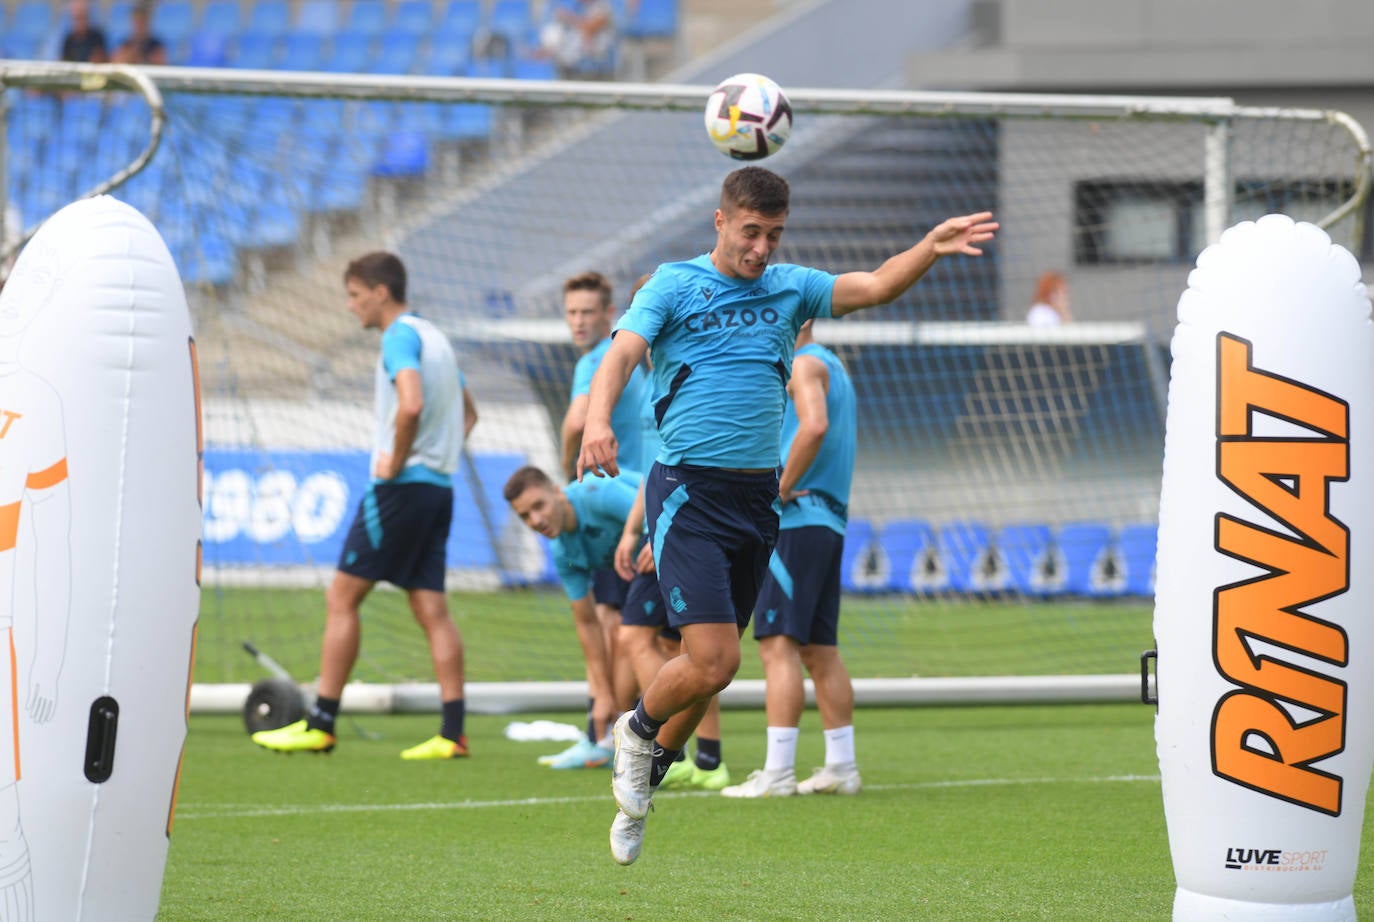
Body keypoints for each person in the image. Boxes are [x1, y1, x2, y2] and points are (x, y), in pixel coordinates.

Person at [576, 165, 996, 865]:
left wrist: (929, 246)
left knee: (713, 671)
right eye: (751, 232)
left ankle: (644, 774)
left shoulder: (791, 286)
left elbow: (875, 285)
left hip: (757, 500)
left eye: (774, 234)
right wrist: (597, 421)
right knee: (715, 656)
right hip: (687, 493)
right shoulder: (674, 284)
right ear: (720, 222)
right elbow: (619, 358)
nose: (762, 248)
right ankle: (636, 729)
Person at [252, 252, 478, 760]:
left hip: (400, 489)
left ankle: (322, 722)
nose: (351, 307)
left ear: (380, 291)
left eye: (354, 295)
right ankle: (453, 732)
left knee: (342, 598)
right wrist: (435, 459)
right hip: (437, 488)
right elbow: (469, 414)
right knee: (430, 608)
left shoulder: (399, 336)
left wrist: (397, 462)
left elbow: (411, 403)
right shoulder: (435, 337)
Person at [720, 319, 861, 799]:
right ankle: (842, 766)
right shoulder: (834, 365)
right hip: (828, 521)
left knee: (776, 645)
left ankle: (777, 772)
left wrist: (775, 490)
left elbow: (814, 424)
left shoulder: (804, 362)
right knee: (820, 651)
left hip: (796, 522)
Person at [535, 271, 649, 769]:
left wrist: (567, 478)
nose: (579, 322)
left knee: (617, 628)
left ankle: (610, 735)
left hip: (616, 503)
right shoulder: (640, 363)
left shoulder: (597, 359)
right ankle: (617, 732)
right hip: (647, 498)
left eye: (588, 312)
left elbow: (577, 422)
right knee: (628, 628)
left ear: (609, 315)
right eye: (572, 312)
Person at [503, 465, 642, 770]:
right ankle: (622, 737)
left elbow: (658, 513)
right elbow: (586, 622)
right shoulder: (561, 549)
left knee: (645, 638)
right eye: (525, 516)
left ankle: (679, 751)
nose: (535, 520)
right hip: (637, 571)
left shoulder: (597, 494)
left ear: (556, 490)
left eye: (538, 506)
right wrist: (601, 694)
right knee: (618, 633)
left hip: (672, 549)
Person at [540, 0, 616, 79]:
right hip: (572, 68)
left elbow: (589, 28)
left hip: (596, 72)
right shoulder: (580, 8)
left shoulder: (603, 7)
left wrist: (567, 17)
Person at [112, 2, 168, 66]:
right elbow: (116, 63)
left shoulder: (157, 46)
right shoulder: (124, 45)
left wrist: (141, 59)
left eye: (142, 21)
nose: (139, 25)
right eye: (137, 21)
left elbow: (161, 65)